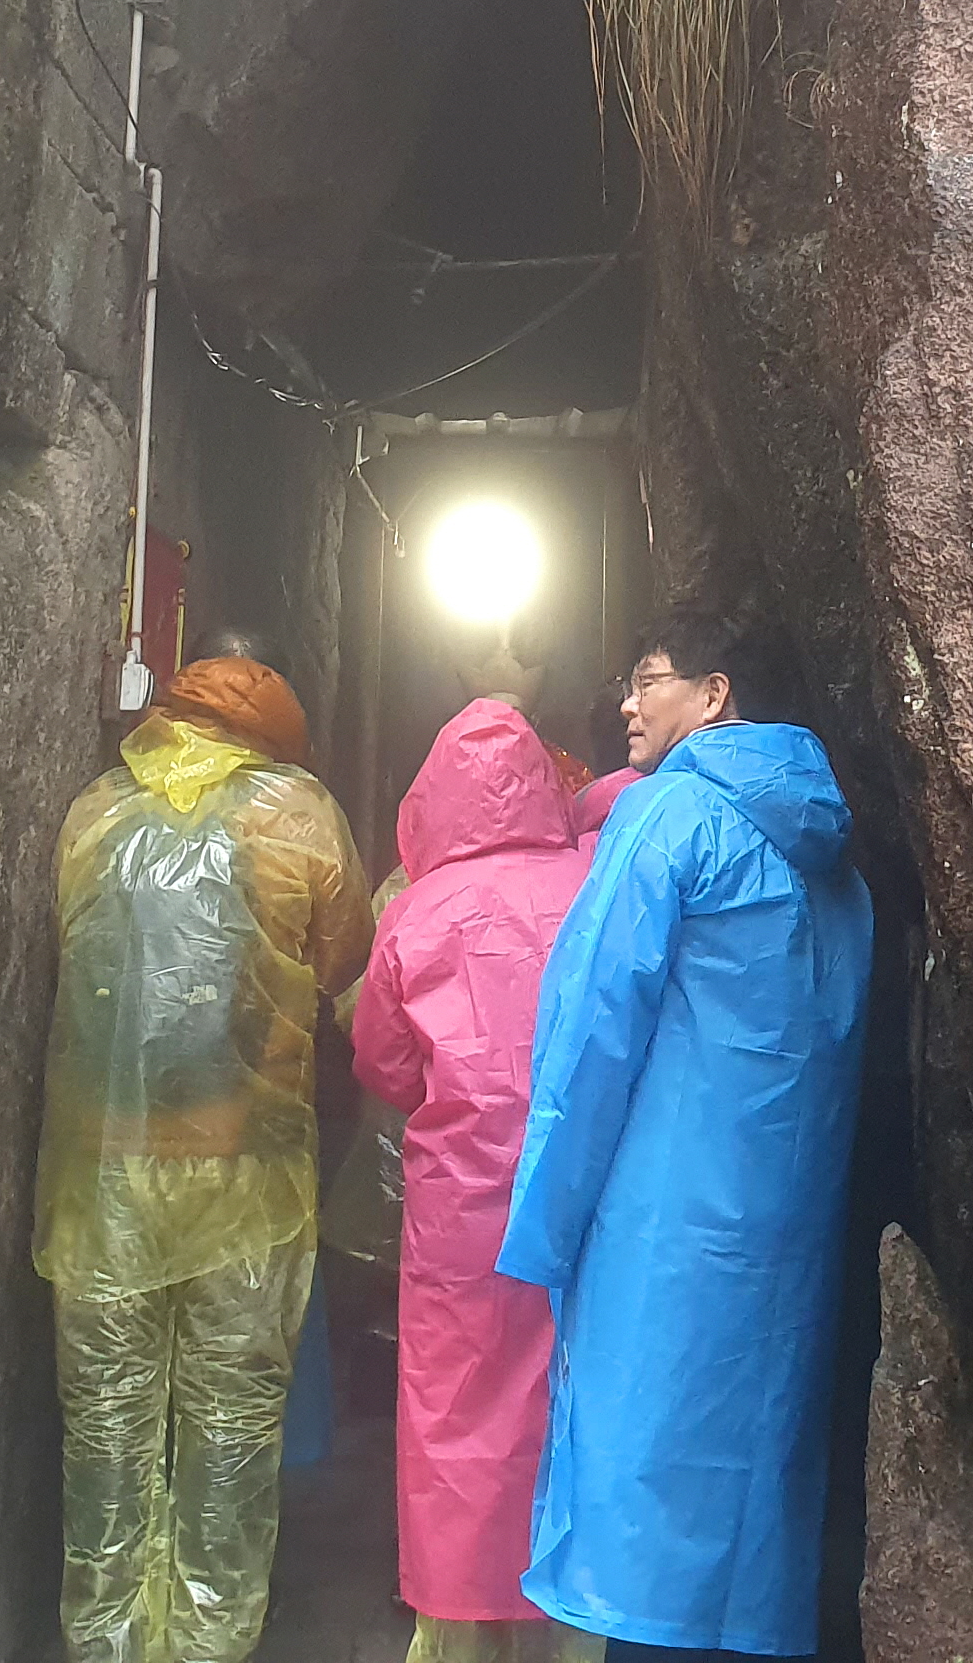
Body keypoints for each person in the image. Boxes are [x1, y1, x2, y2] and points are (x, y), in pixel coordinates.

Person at [497, 608, 875, 1661]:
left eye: (647, 679)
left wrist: (546, 1221)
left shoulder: (669, 813)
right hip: (789, 1228)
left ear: (713, 695)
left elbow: (592, 1023)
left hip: (661, 1220)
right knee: (752, 1493)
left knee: (644, 1501)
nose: (626, 702)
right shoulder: (831, 849)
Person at [34, 627, 374, 1663]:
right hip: (244, 1174)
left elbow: (73, 944)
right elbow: (344, 958)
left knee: (107, 1419)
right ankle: (210, 1639)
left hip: (103, 1172)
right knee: (229, 1421)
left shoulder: (95, 810)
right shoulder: (301, 812)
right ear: (277, 735)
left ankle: (106, 1638)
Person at [350, 698, 631, 1663]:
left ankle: (463, 1633)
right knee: (576, 1406)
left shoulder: (416, 909)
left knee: (457, 1419)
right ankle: (577, 1631)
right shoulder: (595, 880)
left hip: (460, 1214)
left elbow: (384, 1065)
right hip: (587, 1195)